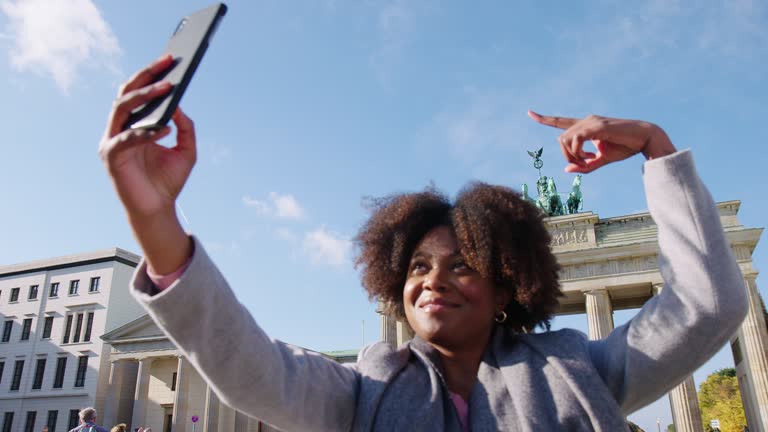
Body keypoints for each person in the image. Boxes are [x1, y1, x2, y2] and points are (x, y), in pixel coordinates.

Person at [99, 56, 748, 431]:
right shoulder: (360, 390)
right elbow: (248, 367)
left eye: (462, 265)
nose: (433, 279)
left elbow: (708, 305)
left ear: (505, 286)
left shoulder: (583, 371)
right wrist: (157, 223)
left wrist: (657, 151)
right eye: (417, 266)